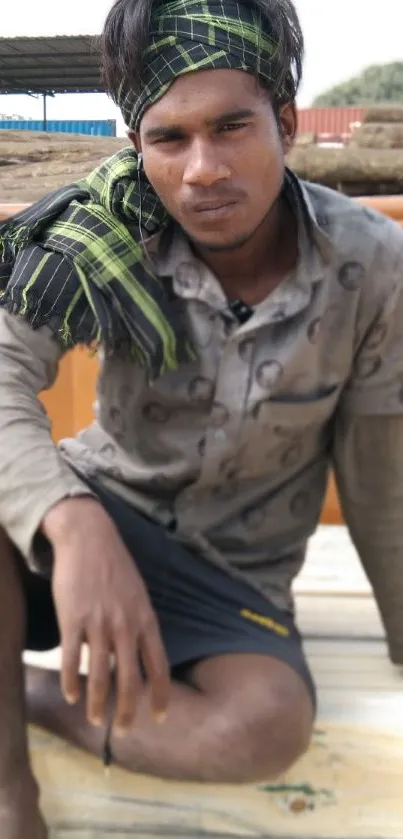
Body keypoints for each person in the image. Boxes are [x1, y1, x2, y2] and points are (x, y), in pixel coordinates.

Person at [1, 0, 403, 835]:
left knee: (262, 729)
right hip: (98, 510)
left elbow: (377, 473)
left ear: (285, 121)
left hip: (230, 570)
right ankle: (9, 788)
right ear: (136, 145)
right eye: (169, 138)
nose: (203, 170)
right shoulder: (97, 236)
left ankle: (34, 693)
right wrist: (71, 524)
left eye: (231, 127)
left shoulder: (369, 264)